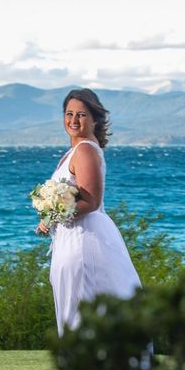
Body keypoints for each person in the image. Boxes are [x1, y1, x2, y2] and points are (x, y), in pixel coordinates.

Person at [35, 88, 141, 336]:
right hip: (71, 238)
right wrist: (50, 215)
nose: (73, 120)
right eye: (69, 113)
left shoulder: (85, 149)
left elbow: (91, 201)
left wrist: (52, 216)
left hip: (83, 240)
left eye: (81, 114)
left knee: (81, 308)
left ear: (95, 119)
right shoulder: (79, 150)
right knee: (78, 309)